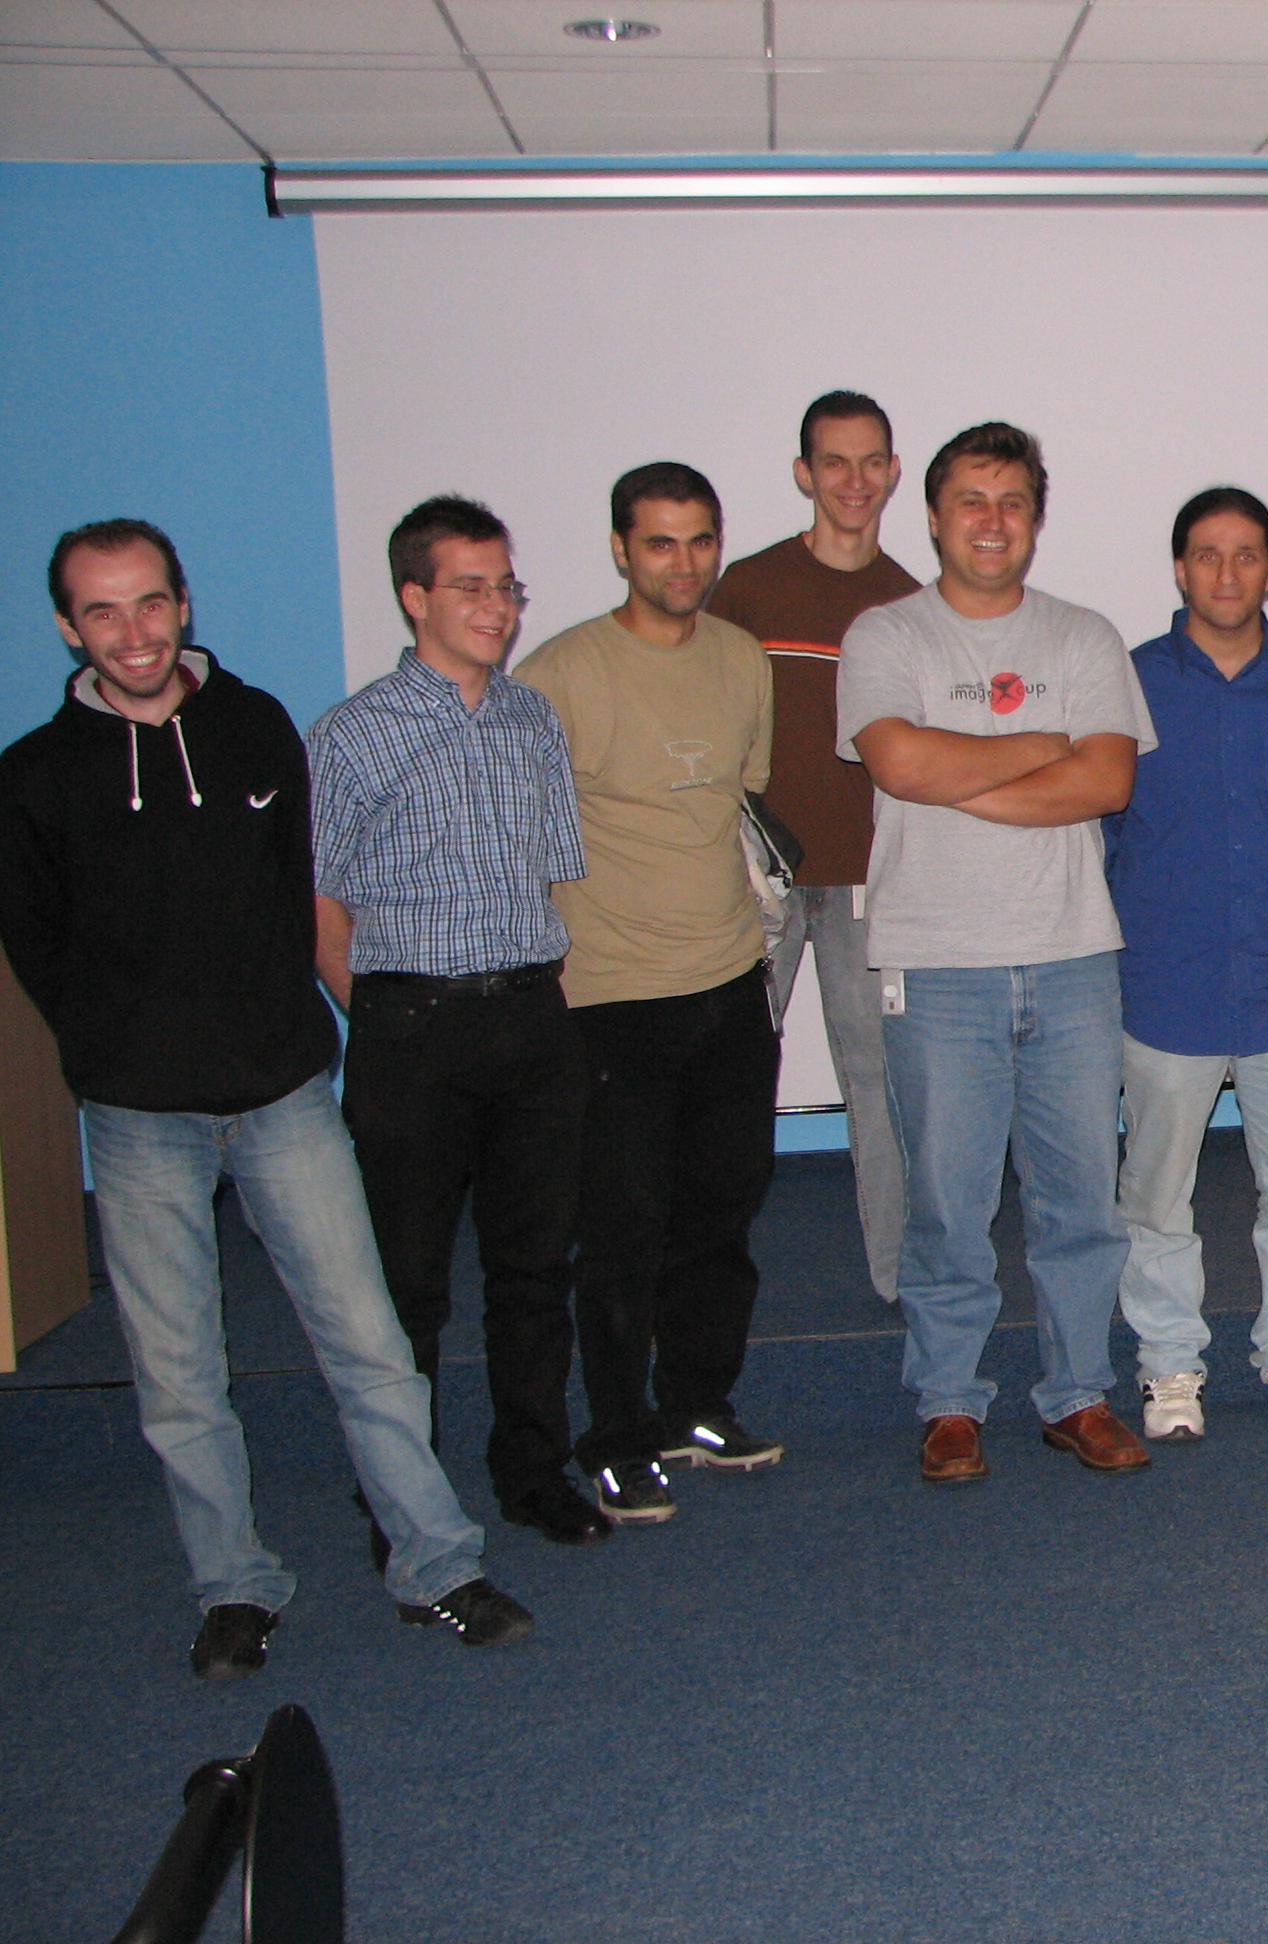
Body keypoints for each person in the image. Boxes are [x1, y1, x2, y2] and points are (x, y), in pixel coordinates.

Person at [0, 518, 533, 1677]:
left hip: (286, 1099)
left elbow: (304, 886)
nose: (134, 632)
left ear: (183, 604)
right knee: (180, 1377)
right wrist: (112, 1051)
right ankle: (234, 1587)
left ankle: (436, 1565)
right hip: (139, 1122)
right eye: (103, 611)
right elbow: (36, 943)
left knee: (371, 1345)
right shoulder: (35, 777)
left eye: (151, 602)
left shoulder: (254, 730)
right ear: (67, 628)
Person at [838, 422, 1157, 1483]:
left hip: (1072, 959)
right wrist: (1035, 748)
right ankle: (948, 1402)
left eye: (1012, 500)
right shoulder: (887, 634)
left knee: (1082, 1201)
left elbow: (1106, 781)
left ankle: (1078, 1395)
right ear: (934, 517)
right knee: (947, 1201)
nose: (992, 520)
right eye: (971, 500)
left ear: (1035, 518)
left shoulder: (1083, 636)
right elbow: (898, 765)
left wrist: (958, 772)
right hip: (936, 964)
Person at [306, 496, 604, 1549]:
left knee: (534, 1269)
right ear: (413, 597)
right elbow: (320, 905)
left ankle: (532, 1469)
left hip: (529, 1021)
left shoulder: (532, 720)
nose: (496, 607)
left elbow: (551, 875)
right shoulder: (351, 734)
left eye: (506, 586)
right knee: (406, 1283)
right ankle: (403, 1493)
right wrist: (391, 1021)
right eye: (470, 587)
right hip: (410, 1030)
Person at [517, 463, 782, 1523]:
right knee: (621, 1234)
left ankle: (696, 1405)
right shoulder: (559, 674)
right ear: (621, 550)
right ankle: (617, 1437)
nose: (684, 562)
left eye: (700, 539)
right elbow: (523, 837)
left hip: (731, 984)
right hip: (611, 999)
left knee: (722, 1212)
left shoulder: (740, 658)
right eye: (661, 543)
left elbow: (740, 799)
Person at [1104, 487, 1268, 1440]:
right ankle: (1170, 1366)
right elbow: (1104, 831)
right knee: (1154, 1196)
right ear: (1180, 569)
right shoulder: (1130, 683)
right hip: (1165, 985)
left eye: (1246, 554)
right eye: (1207, 555)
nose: (1226, 572)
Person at [706, 391, 916, 1304]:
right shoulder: (748, 588)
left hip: (870, 882)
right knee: (728, 1081)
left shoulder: (909, 601)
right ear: (804, 473)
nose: (854, 480)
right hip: (758, 882)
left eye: (871, 461)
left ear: (894, 473)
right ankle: (705, 1276)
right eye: (835, 461)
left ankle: (901, 1284)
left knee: (882, 1091)